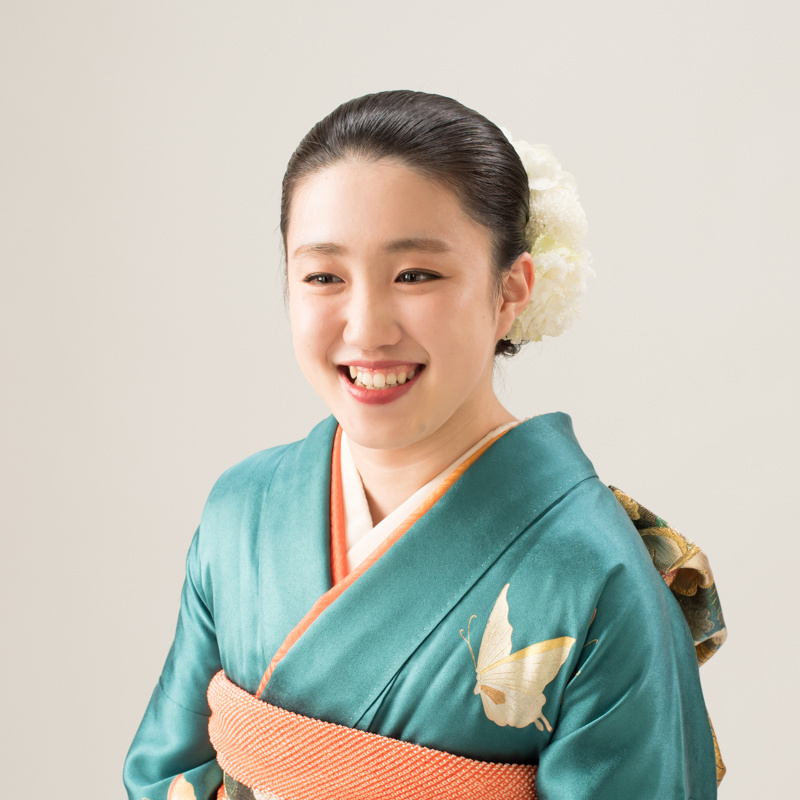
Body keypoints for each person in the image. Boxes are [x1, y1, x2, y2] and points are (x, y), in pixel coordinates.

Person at [123, 90, 727, 800]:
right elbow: (164, 774)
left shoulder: (595, 574)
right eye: (323, 277)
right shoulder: (242, 512)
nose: (366, 327)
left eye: (416, 275)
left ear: (511, 290)